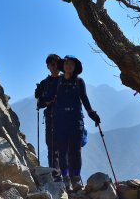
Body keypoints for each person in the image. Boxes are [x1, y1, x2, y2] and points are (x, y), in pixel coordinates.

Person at [53, 55, 101, 191]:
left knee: (76, 151)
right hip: (61, 121)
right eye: (67, 63)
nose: (68, 66)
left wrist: (92, 114)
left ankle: (76, 179)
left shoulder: (79, 82)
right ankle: (65, 178)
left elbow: (84, 98)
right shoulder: (57, 81)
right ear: (63, 66)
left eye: (71, 64)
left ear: (75, 68)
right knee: (62, 152)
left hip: (75, 120)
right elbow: (51, 98)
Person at [35, 54, 62, 171]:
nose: (55, 66)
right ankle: (55, 174)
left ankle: (65, 177)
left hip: (65, 117)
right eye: (52, 64)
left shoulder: (67, 80)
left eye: (57, 64)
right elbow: (39, 103)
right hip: (51, 117)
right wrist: (47, 102)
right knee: (51, 147)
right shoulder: (44, 84)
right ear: (48, 66)